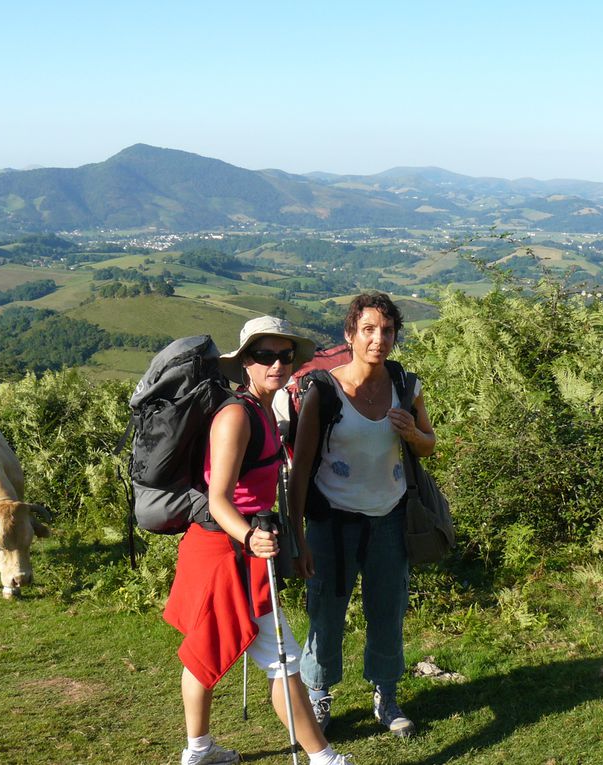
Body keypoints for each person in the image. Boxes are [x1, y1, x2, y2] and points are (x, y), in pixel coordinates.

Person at [163, 316, 355, 765]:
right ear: (246, 362)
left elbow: (276, 486)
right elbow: (219, 498)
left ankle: (199, 750)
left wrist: (297, 541)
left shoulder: (268, 409)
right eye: (265, 355)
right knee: (277, 658)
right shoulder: (235, 416)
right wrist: (250, 537)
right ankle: (325, 759)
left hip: (240, 548)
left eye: (285, 356)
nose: (277, 364)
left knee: (204, 652)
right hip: (225, 551)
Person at [288, 292, 437, 738]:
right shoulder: (324, 392)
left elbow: (430, 444)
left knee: (387, 610)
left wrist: (412, 432)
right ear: (349, 334)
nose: (378, 338)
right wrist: (296, 536)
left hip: (389, 518)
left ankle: (386, 697)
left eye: (387, 330)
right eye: (368, 329)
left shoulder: (407, 387)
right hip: (331, 522)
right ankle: (319, 695)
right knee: (326, 613)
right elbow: (300, 470)